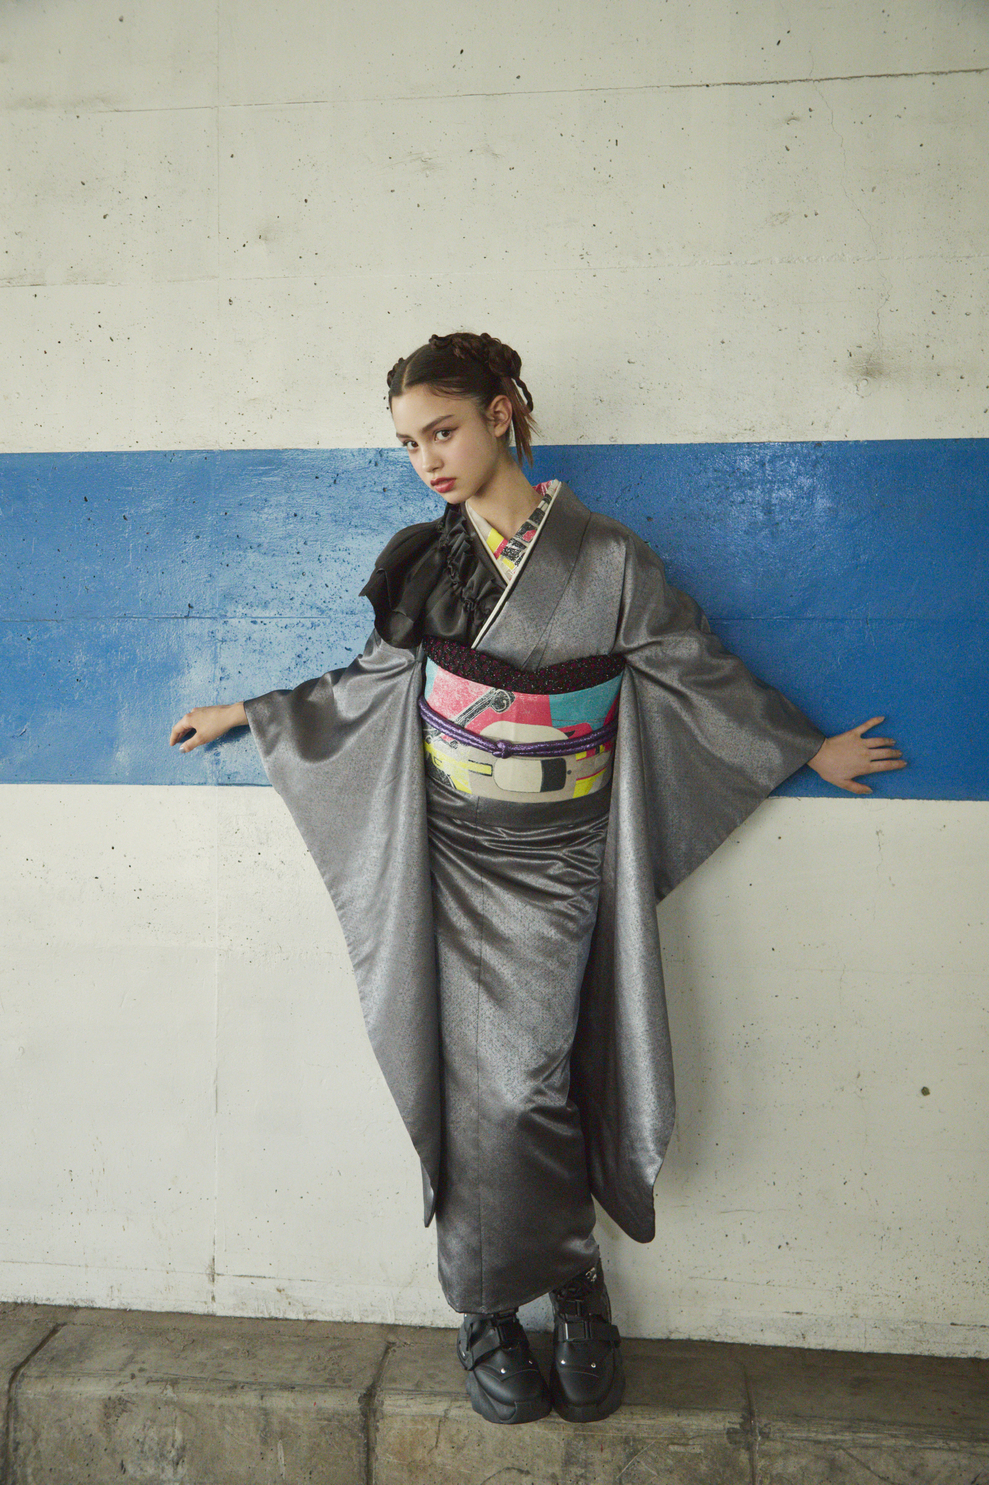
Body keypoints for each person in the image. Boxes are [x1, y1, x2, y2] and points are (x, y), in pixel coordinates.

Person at [170, 331, 906, 1426]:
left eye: (443, 431)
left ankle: (569, 1279)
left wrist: (803, 746)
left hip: (564, 857)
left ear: (503, 412)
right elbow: (372, 683)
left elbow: (696, 669)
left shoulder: (610, 561)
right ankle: (490, 1304)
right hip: (453, 852)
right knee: (479, 1089)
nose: (428, 460)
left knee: (540, 1080)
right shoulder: (424, 559)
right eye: (409, 444)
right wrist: (253, 712)